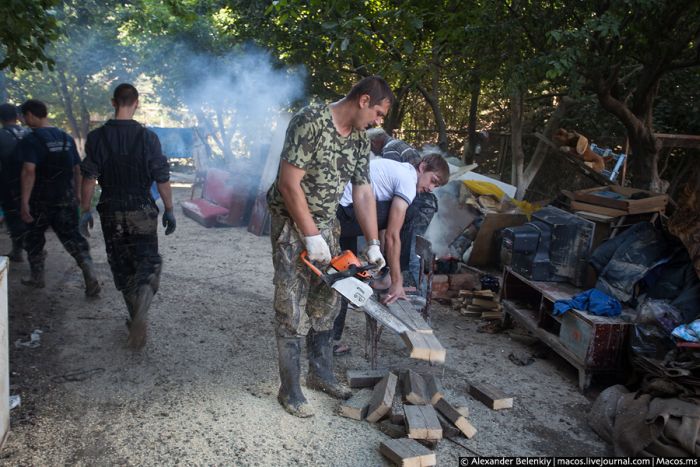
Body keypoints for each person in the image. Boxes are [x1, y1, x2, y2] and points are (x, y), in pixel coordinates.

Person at [266, 75, 393, 417]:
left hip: (327, 225)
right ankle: (289, 388)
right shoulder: (311, 121)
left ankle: (319, 373)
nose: (379, 121)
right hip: (294, 223)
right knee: (290, 302)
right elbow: (288, 183)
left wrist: (375, 243)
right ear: (364, 100)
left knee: (328, 301)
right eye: (379, 113)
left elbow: (364, 192)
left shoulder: (360, 141)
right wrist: (309, 233)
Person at [79, 83, 175, 350]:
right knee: (147, 261)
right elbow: (162, 177)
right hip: (141, 207)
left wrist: (84, 209)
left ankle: (135, 317)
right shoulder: (148, 138)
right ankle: (143, 299)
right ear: (137, 103)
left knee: (122, 267)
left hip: (111, 208)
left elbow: (88, 177)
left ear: (113, 102)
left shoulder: (97, 138)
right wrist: (169, 209)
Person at [332, 154, 449, 354]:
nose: (431, 188)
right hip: (346, 212)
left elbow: (384, 229)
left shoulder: (397, 171)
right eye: (433, 180)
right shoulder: (407, 179)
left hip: (341, 211)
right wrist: (397, 280)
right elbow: (393, 236)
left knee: (344, 276)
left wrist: (378, 252)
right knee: (410, 211)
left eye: (436, 186)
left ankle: (332, 341)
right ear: (422, 167)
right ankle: (389, 279)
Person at [18, 99, 100, 296]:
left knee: (34, 239)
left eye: (24, 116)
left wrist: (24, 202)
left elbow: (29, 171)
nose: (23, 120)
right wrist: (78, 195)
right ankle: (90, 274)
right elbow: (77, 169)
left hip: (40, 201)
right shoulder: (65, 138)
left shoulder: (31, 139)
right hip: (66, 198)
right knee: (73, 238)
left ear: (30, 114)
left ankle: (37, 278)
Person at [0, 103, 30, 261]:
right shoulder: (28, 132)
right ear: (17, 116)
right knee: (26, 216)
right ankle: (18, 250)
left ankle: (27, 248)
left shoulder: (1, 135)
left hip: (8, 183)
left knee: (13, 217)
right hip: (30, 183)